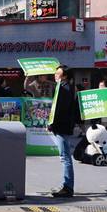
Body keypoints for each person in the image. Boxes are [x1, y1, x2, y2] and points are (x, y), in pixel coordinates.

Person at [47, 65, 82, 198]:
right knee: (65, 156)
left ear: (65, 76)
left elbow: (60, 111)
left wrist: (52, 125)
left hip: (62, 127)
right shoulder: (63, 87)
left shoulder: (64, 88)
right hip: (62, 126)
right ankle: (66, 185)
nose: (55, 75)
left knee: (65, 157)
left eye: (58, 73)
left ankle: (67, 187)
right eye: (55, 73)